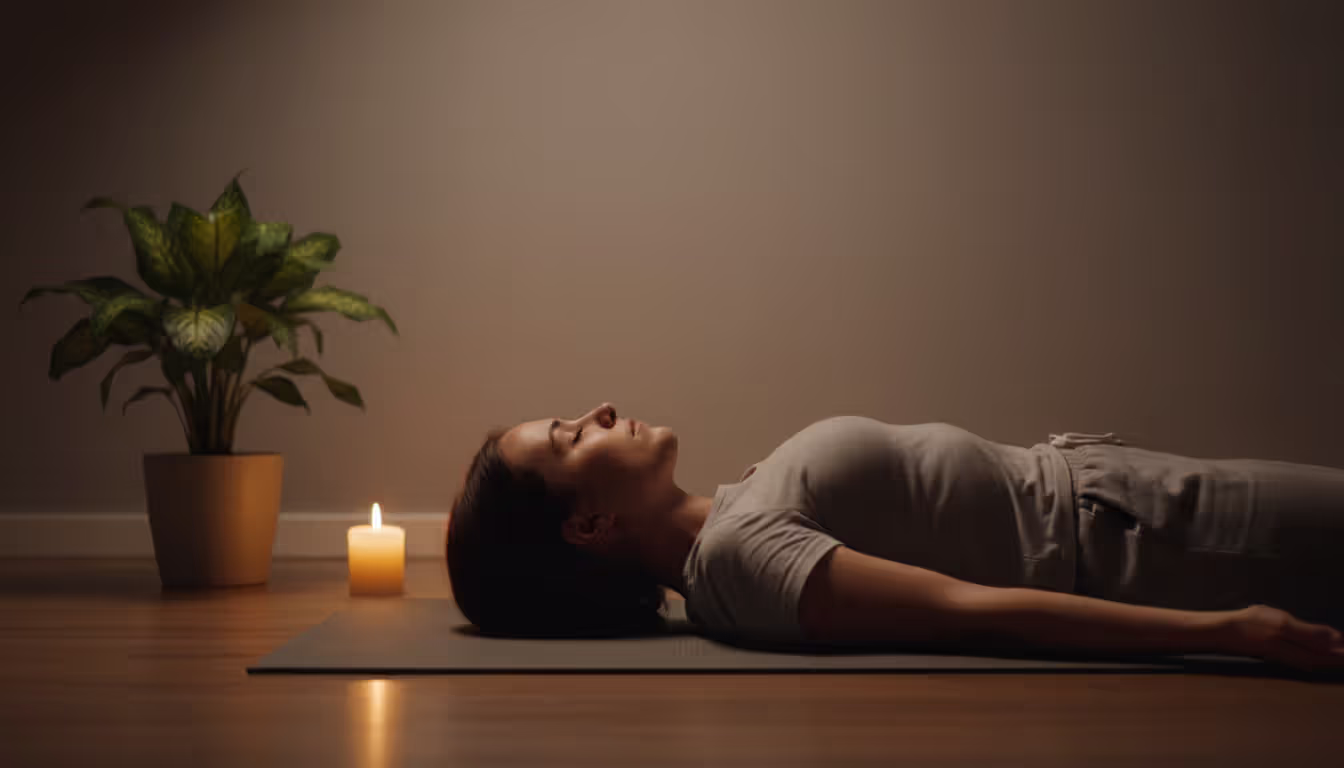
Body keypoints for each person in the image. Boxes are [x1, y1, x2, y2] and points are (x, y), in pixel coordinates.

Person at [445, 403, 1344, 674]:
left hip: (1132, 500)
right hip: (1160, 545)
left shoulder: (733, 519)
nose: (600, 411)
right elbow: (973, 613)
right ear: (589, 525)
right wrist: (1231, 631)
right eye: (572, 437)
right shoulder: (739, 560)